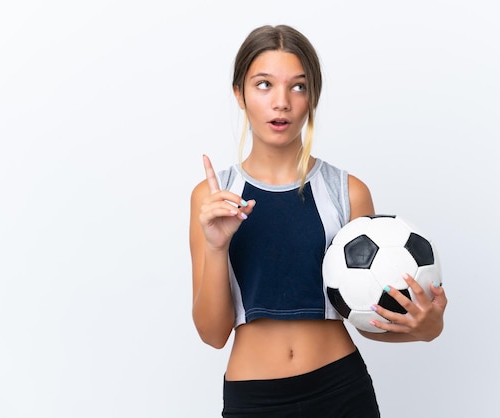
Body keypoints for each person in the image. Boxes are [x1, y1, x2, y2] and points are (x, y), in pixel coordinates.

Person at [189, 24, 447, 417]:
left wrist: (427, 329)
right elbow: (212, 334)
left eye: (298, 86)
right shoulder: (213, 198)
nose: (281, 103)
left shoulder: (348, 192)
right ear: (239, 94)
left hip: (340, 389)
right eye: (263, 85)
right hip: (253, 399)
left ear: (312, 97)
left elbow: (365, 318)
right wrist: (215, 245)